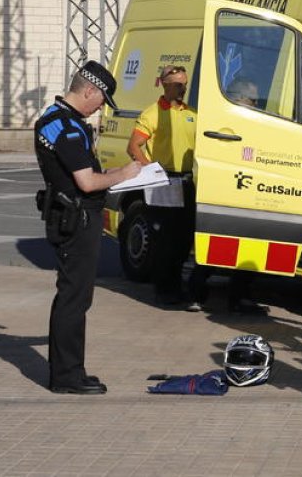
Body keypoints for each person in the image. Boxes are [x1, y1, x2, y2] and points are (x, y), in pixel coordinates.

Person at [35, 60, 140, 394]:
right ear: (89, 90)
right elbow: (87, 182)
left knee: (74, 296)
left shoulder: (56, 120)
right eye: (101, 100)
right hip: (76, 219)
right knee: (74, 298)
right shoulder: (65, 127)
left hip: (71, 217)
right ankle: (66, 377)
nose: (100, 108)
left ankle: (71, 372)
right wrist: (124, 174)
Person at [182, 76, 266, 314]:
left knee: (249, 248)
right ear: (239, 98)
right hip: (226, 192)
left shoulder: (253, 122)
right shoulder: (225, 122)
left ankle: (238, 296)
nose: (256, 104)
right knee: (215, 248)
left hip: (247, 190)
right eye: (253, 99)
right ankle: (198, 294)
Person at [127, 65, 197, 307]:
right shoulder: (153, 113)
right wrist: (151, 170)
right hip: (164, 179)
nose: (183, 88)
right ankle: (163, 290)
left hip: (186, 180)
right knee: (164, 239)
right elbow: (134, 146)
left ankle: (176, 288)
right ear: (165, 85)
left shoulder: (192, 113)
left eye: (184, 83)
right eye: (178, 84)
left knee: (183, 239)